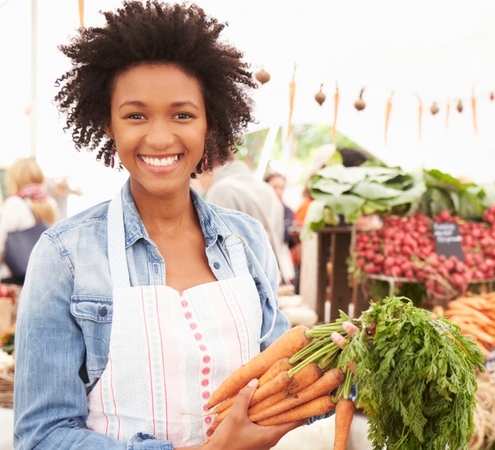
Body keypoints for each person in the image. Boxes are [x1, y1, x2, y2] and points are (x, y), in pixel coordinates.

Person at [13, 3, 355, 449]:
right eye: (136, 115)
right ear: (108, 125)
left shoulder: (244, 239)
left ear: (210, 123)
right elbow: (41, 437)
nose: (159, 137)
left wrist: (337, 357)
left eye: (182, 114)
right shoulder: (65, 253)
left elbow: (285, 383)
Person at [201, 158, 295, 286]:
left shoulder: (220, 191)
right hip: (270, 281)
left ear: (206, 166)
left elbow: (220, 255)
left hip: (242, 289)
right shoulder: (268, 190)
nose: (199, 182)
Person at [0, 158, 57, 284]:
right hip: (39, 274)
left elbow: (1, 242)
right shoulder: (49, 203)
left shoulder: (14, 203)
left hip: (14, 275)